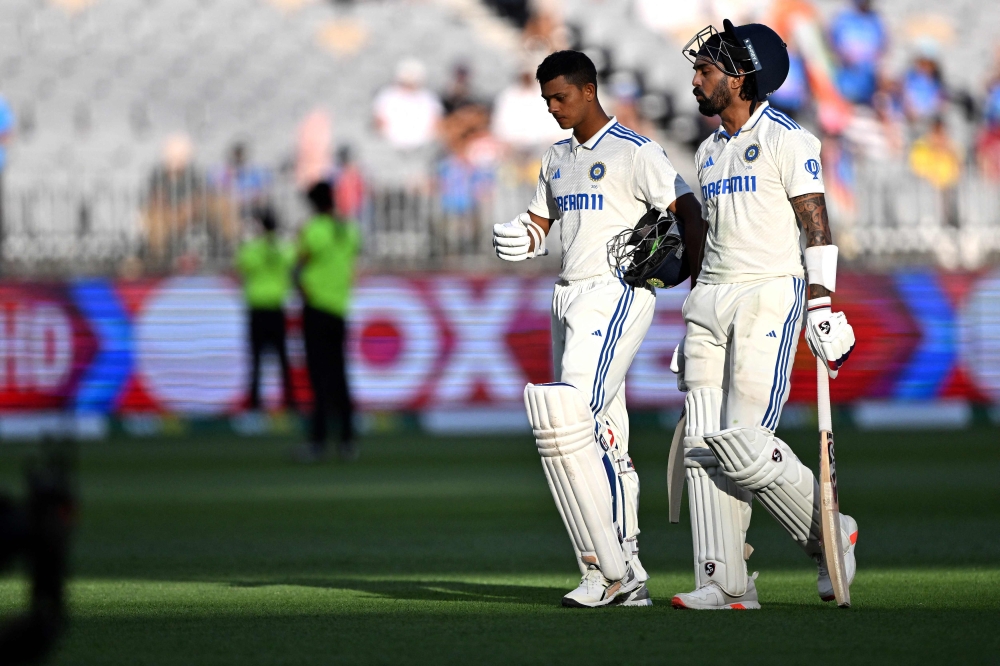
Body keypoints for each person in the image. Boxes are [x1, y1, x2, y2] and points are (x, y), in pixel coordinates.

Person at [493, 50, 704, 608]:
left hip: (614, 294)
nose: (553, 108)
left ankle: (605, 568)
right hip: (567, 294)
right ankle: (624, 561)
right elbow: (544, 220)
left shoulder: (635, 151)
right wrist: (525, 236)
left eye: (560, 96)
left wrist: (692, 281)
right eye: (546, 100)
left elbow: (688, 209)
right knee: (606, 435)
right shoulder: (556, 157)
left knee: (567, 421)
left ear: (589, 90)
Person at [671, 21, 859, 610]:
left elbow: (816, 225)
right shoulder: (707, 150)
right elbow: (712, 242)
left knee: (744, 444)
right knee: (703, 446)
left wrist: (822, 301)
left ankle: (832, 532)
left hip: (768, 297)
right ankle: (724, 583)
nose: (696, 80)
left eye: (706, 70)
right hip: (709, 300)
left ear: (742, 77)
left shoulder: (789, 139)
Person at [297, 182, 361, 462]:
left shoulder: (313, 230)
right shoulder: (348, 229)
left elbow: (300, 264)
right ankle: (347, 441)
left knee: (319, 379)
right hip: (340, 308)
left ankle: (318, 442)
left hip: (316, 307)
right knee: (340, 377)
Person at [235, 207, 297, 413]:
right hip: (277, 309)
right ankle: (290, 402)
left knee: (256, 360)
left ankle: (255, 403)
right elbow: (293, 260)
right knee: (282, 359)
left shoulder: (252, 249)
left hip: (257, 309)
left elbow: (242, 264)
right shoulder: (284, 248)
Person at [372, 58, 443, 150]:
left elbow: (437, 122)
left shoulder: (428, 97)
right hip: (390, 144)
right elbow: (378, 121)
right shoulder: (387, 95)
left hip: (422, 145)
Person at [828, 0, 887, 105]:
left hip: (869, 83)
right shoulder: (843, 19)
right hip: (845, 81)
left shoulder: (875, 20)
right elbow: (832, 43)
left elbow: (883, 45)